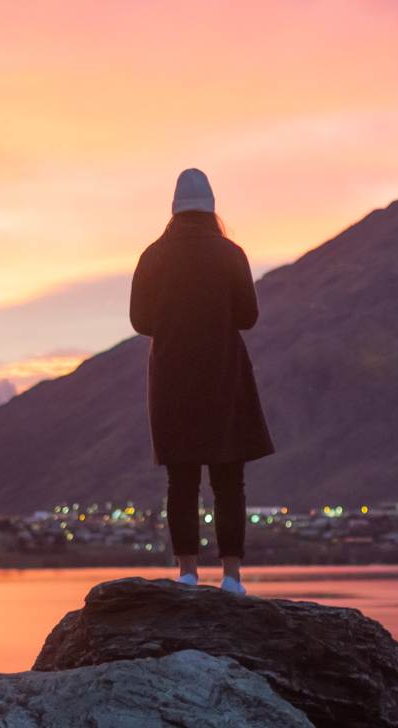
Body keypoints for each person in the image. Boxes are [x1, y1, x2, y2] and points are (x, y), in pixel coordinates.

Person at [130, 168, 275, 594]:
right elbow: (247, 316)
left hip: (173, 378)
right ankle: (232, 576)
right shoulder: (231, 254)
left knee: (182, 479)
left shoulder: (153, 256)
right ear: (212, 209)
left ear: (174, 209)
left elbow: (140, 320)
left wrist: (175, 325)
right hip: (223, 374)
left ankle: (188, 572)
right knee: (229, 479)